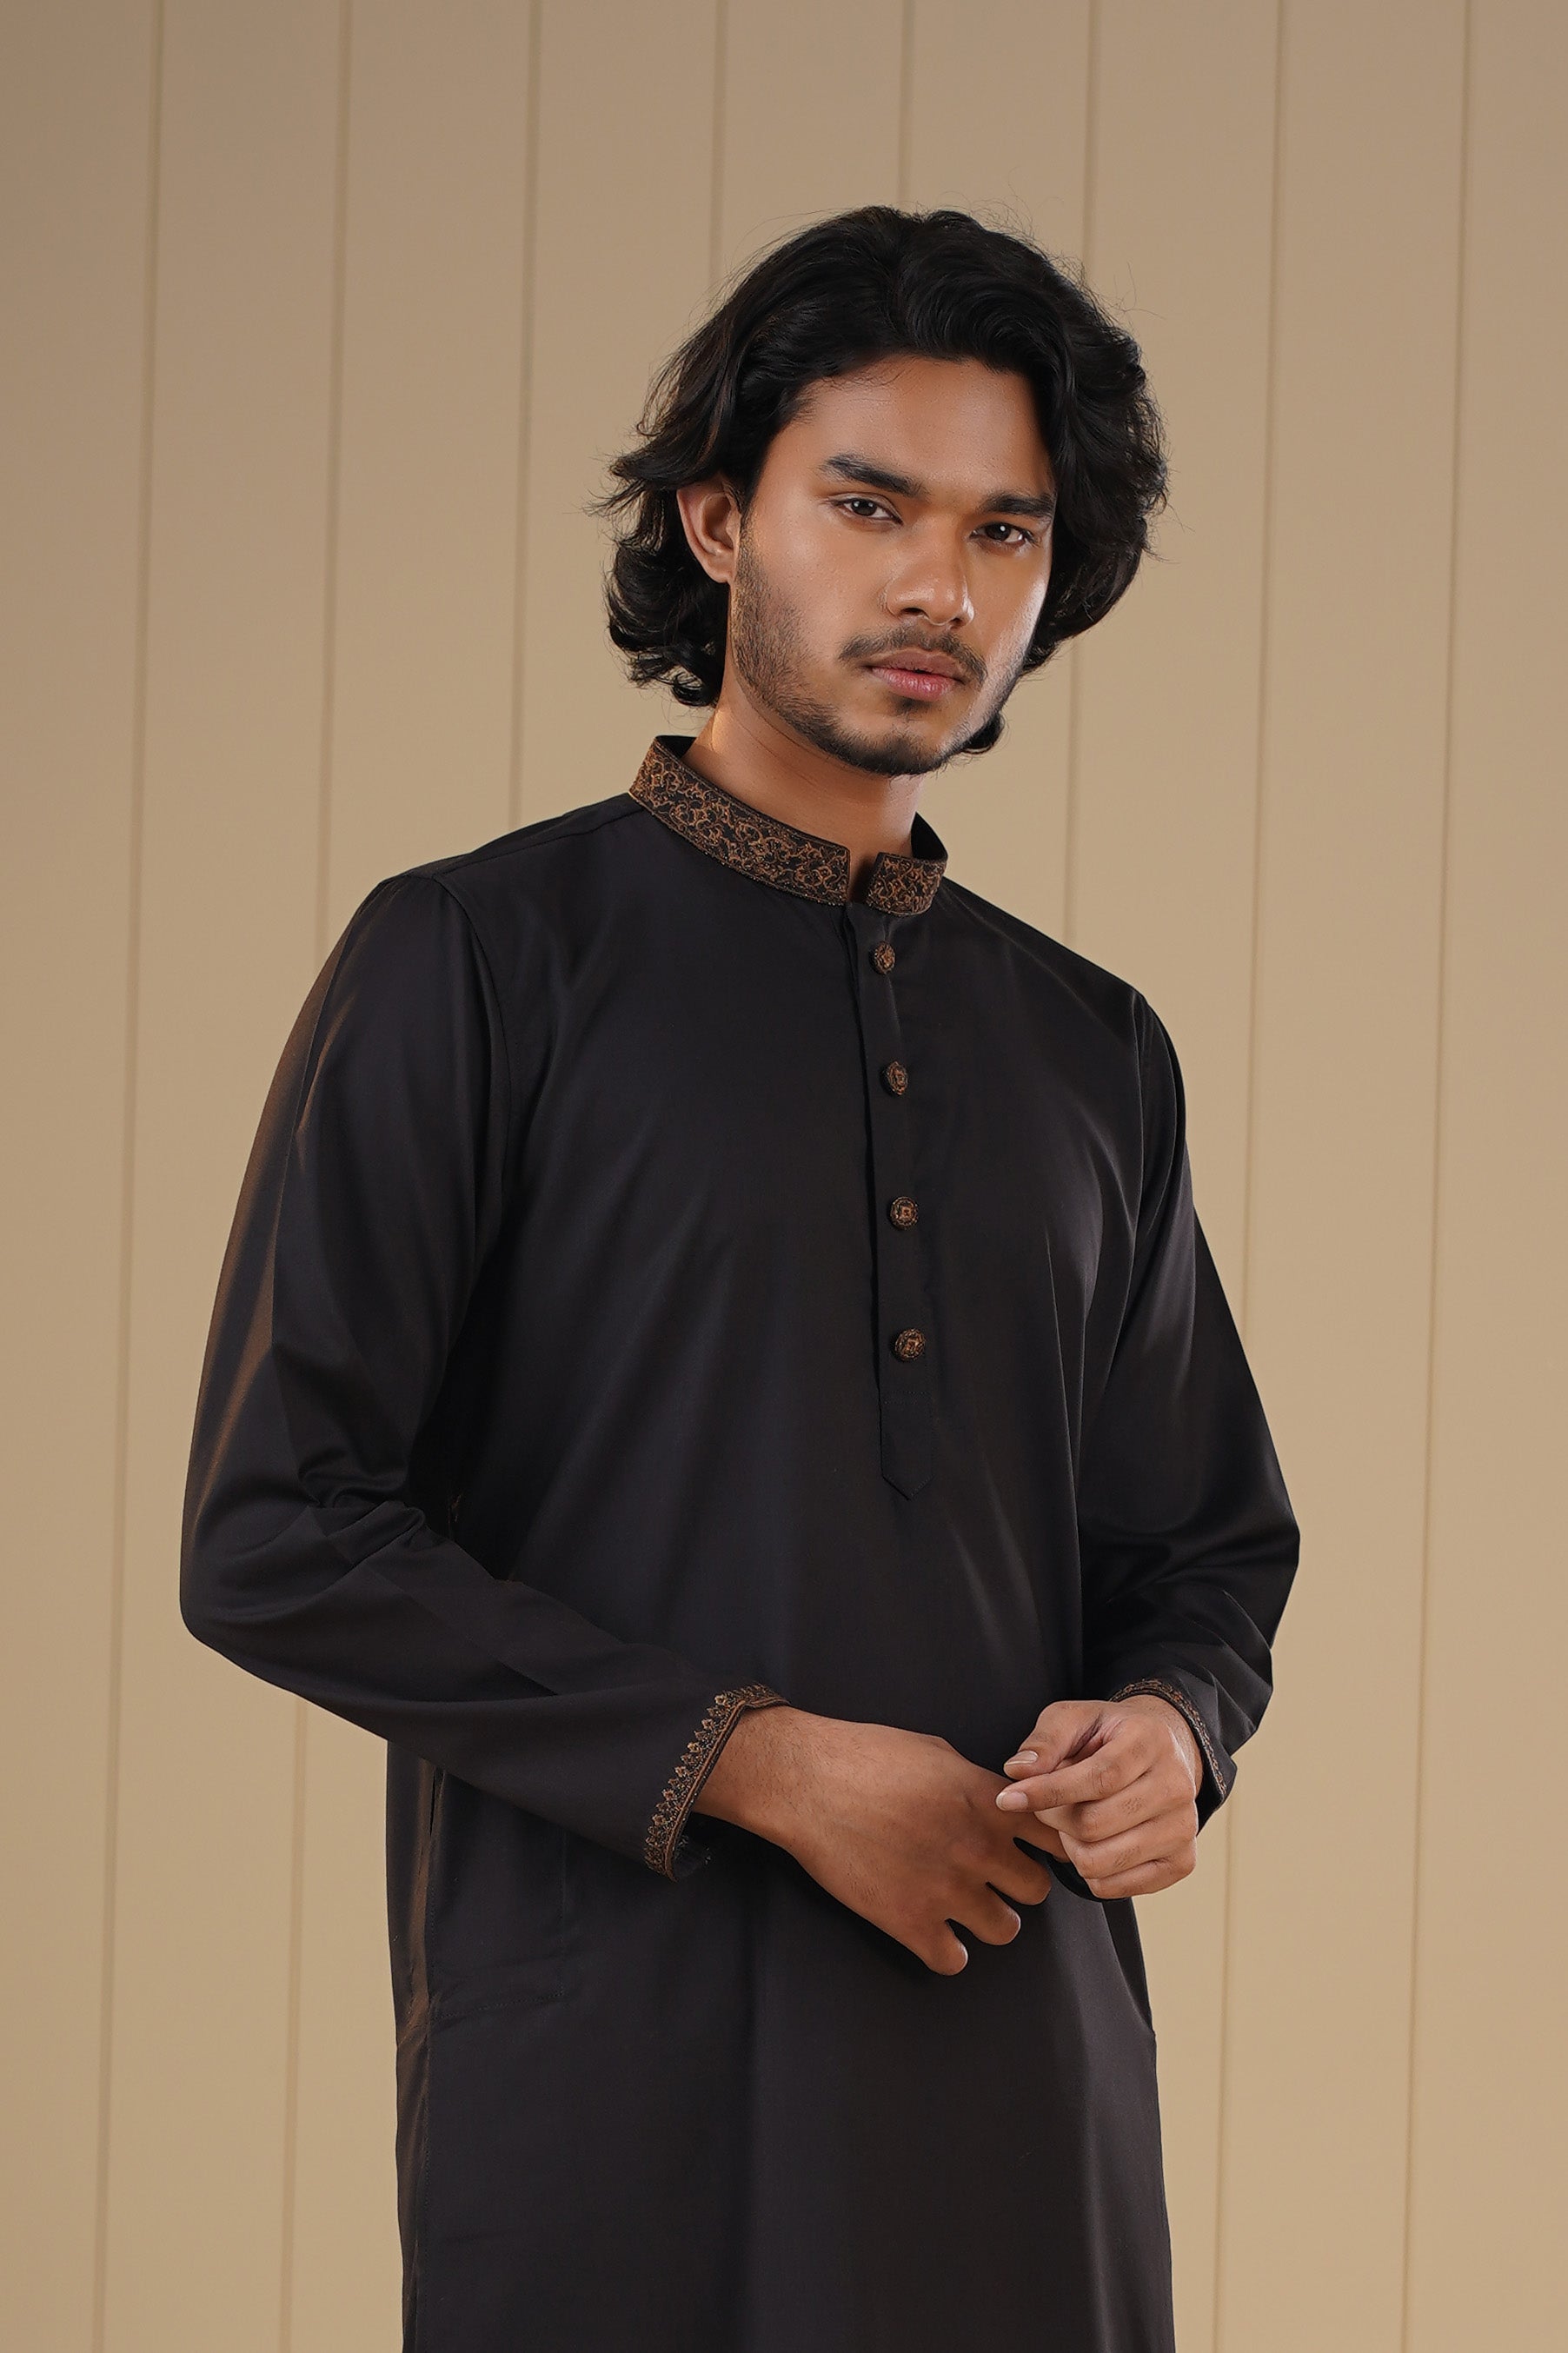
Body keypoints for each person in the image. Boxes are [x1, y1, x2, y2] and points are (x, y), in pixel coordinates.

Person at [181, 205, 1299, 2353]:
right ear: (716, 520)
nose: (936, 587)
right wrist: (758, 1761)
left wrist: (1175, 1722)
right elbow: (276, 1531)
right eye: (867, 504)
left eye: (1000, 530)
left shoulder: (1089, 1049)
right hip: (617, 2088)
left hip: (1022, 2082)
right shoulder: (477, 963)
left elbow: (1201, 1542)